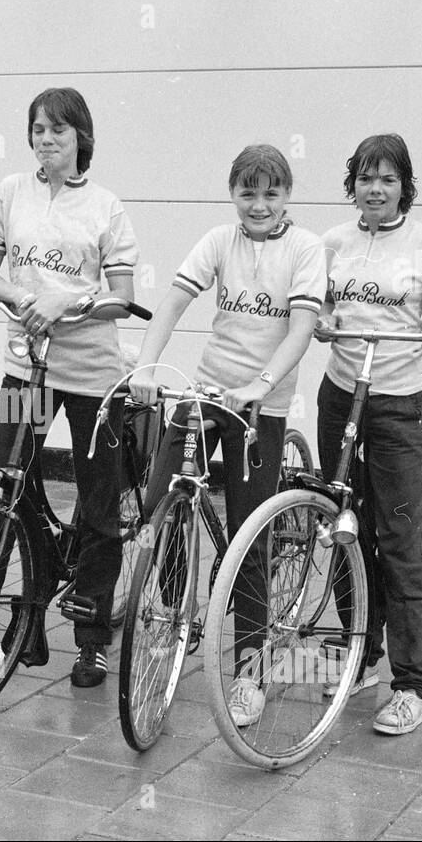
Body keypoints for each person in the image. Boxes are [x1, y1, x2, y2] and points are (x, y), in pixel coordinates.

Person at [0, 86, 139, 694]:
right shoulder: (10, 193)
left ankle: (91, 641)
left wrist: (69, 299)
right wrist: (23, 298)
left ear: (81, 138)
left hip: (93, 379)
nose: (46, 139)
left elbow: (122, 296)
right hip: (27, 369)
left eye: (59, 130)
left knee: (97, 509)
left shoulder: (107, 207)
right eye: (38, 128)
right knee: (1, 494)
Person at [129, 144, 325, 725]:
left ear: (286, 196)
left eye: (270, 193)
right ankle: (171, 614)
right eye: (247, 192)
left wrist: (263, 385)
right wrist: (145, 365)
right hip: (209, 393)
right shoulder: (220, 240)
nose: (258, 204)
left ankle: (250, 667)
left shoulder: (305, 248)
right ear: (233, 193)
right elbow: (173, 303)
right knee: (160, 505)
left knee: (249, 537)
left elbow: (303, 329)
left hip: (260, 409)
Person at [317, 133, 422, 735]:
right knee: (342, 526)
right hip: (340, 396)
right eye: (365, 178)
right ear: (352, 184)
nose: (375, 189)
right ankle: (361, 651)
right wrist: (323, 320)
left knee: (401, 537)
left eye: (387, 179)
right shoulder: (332, 241)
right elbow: (318, 306)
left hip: (395, 401)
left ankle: (411, 684)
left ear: (404, 186)